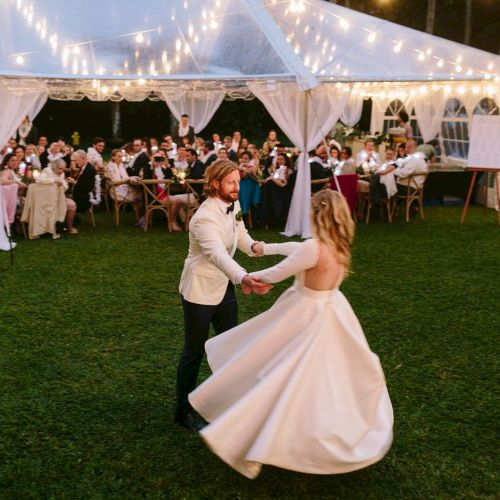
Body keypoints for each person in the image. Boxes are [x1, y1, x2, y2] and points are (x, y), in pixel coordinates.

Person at [189, 189, 393, 479]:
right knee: (322, 380)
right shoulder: (340, 244)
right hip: (333, 311)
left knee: (276, 370)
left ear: (317, 214)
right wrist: (264, 247)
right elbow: (295, 250)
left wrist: (250, 279)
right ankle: (314, 431)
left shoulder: (314, 248)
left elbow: (281, 270)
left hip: (304, 314)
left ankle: (248, 431)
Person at [175, 159, 272, 431]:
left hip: (224, 288)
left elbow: (239, 232)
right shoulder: (203, 218)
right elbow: (217, 254)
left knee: (231, 345)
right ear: (215, 183)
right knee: (194, 351)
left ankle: (229, 402)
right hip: (199, 290)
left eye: (238, 182)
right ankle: (182, 410)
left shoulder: (233, 203)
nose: (236, 188)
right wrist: (244, 277)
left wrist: (254, 246)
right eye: (231, 183)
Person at [36, 158, 79, 235]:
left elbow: (65, 187)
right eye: (60, 169)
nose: (62, 171)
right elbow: (38, 180)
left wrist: (62, 185)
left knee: (72, 205)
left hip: (59, 197)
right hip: (46, 198)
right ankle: (51, 228)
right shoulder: (47, 170)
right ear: (54, 167)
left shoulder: (62, 174)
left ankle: (69, 227)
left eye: (63, 169)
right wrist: (54, 180)